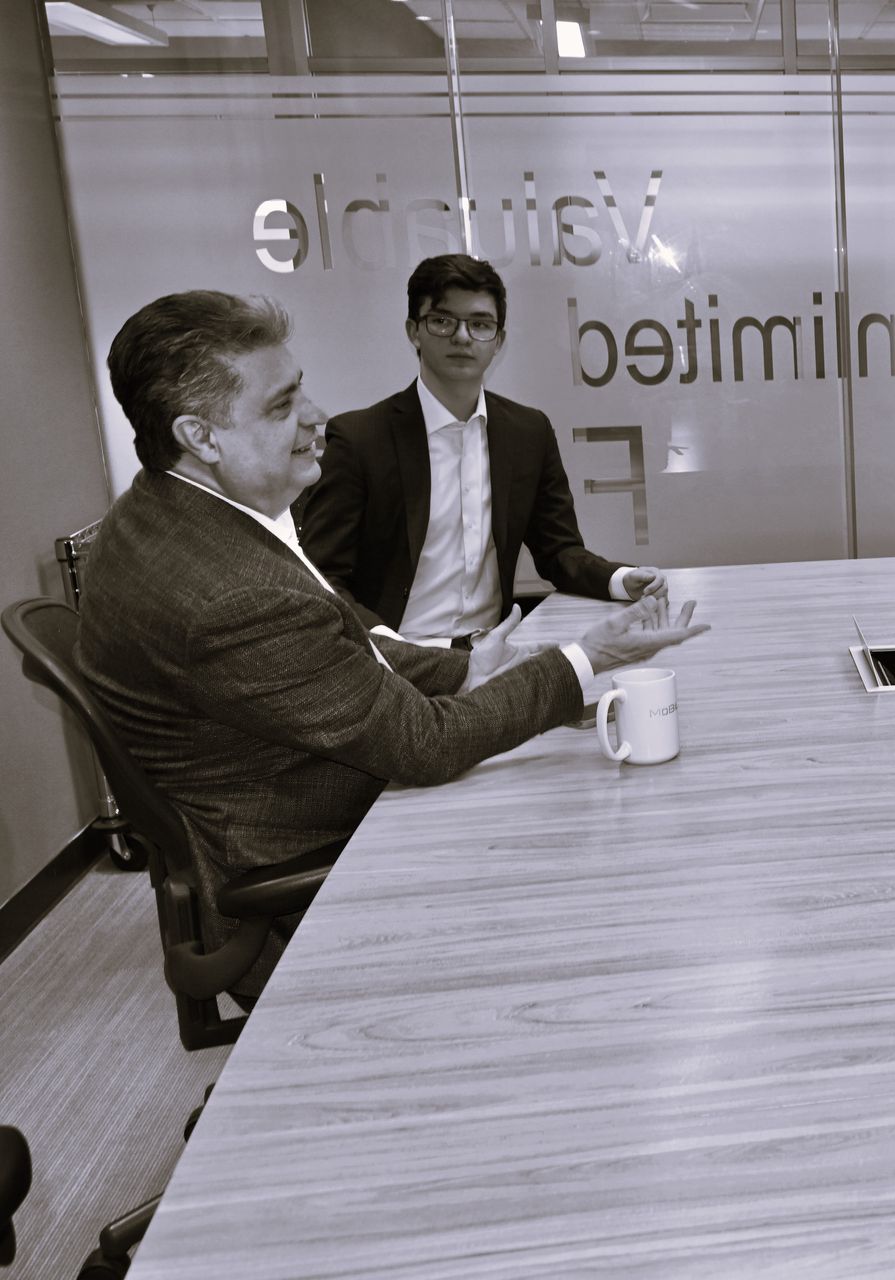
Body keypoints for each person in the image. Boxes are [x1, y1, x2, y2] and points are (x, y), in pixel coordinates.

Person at [77, 291, 709, 997]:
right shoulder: (235, 597)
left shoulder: (162, 513)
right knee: (605, 850)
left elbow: (332, 642)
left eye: (301, 390)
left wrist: (464, 669)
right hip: (312, 869)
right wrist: (588, 658)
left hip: (291, 797)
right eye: (282, 406)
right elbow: (425, 745)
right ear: (201, 436)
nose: (316, 416)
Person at [299, 253, 662, 648]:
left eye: (480, 324)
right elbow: (321, 577)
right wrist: (388, 647)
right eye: (442, 321)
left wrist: (620, 580)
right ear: (414, 331)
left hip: (493, 651)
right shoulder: (360, 439)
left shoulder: (528, 432)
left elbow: (559, 551)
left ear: (498, 341)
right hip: (396, 659)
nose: (462, 336)